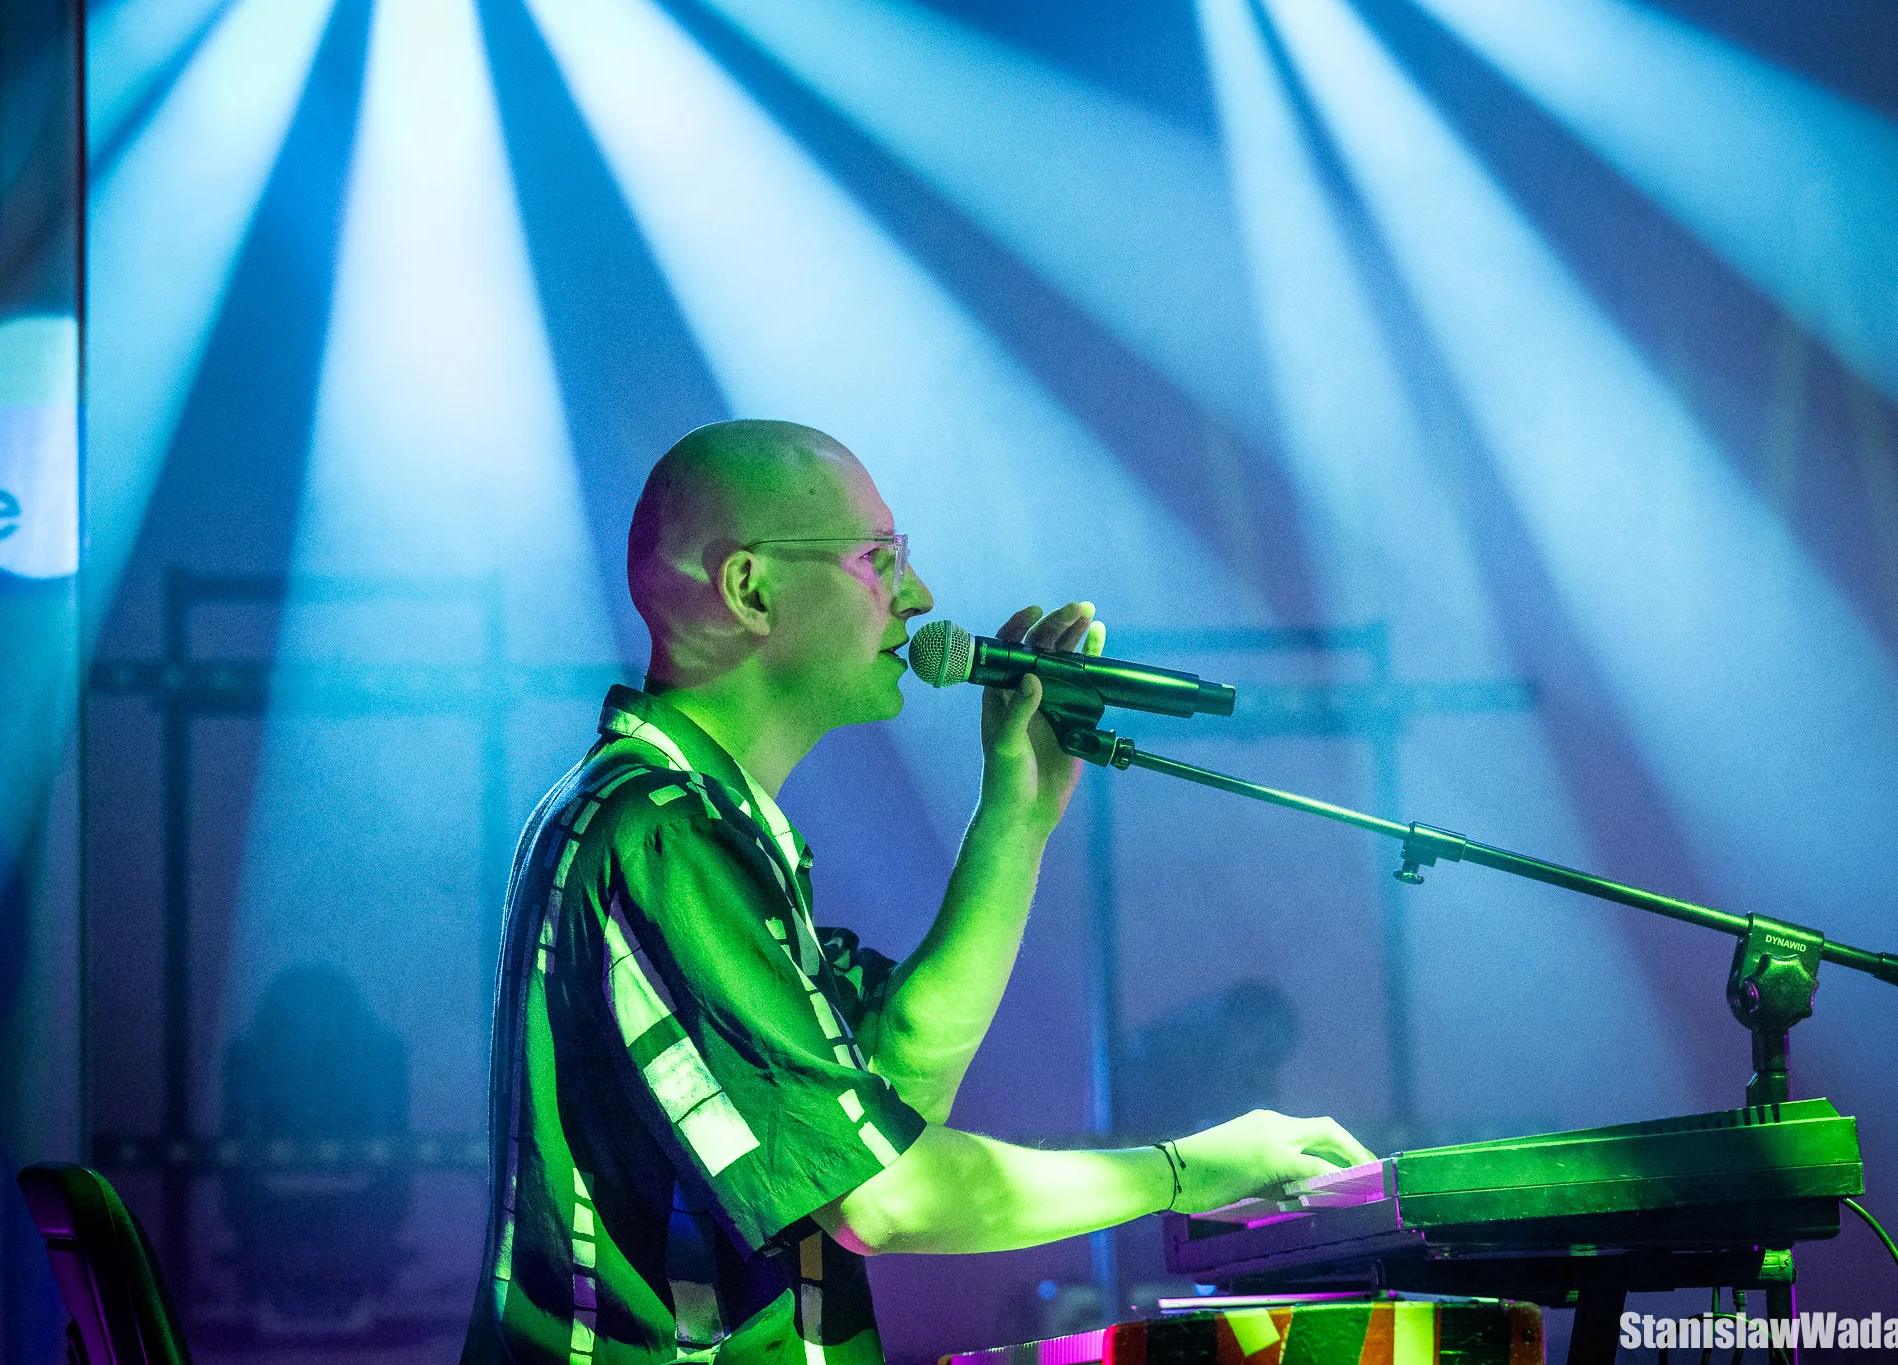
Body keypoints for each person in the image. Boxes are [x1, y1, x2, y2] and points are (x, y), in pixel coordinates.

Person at [460, 420, 1372, 1365]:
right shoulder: (663, 834)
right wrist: (1186, 1170)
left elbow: (898, 1080)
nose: (918, 595)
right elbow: (887, 1196)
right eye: (878, 557)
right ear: (749, 587)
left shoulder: (689, 824)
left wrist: (1015, 819)